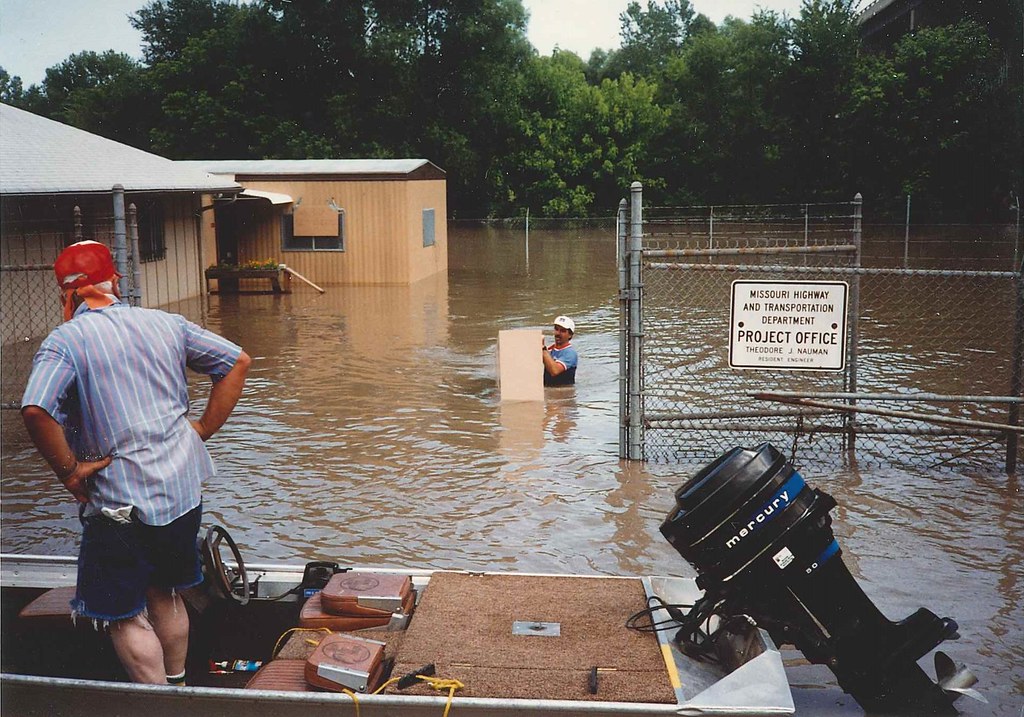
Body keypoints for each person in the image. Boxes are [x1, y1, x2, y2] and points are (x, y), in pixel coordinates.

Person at [20, 240, 251, 685]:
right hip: (181, 494)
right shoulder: (167, 323)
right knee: (165, 594)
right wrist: (201, 428)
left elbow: (36, 411)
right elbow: (237, 362)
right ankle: (178, 686)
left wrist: (69, 470)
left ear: (65, 291)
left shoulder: (65, 341)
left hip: (120, 505)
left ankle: (156, 702)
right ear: (116, 282)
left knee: (122, 615)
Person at [542, 315, 578, 386]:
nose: (558, 333)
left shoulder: (570, 353)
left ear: (570, 335)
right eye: (556, 329)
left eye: (562, 331)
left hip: (564, 394)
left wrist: (543, 348)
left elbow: (554, 371)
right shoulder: (549, 350)